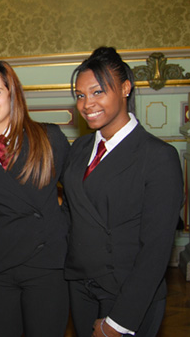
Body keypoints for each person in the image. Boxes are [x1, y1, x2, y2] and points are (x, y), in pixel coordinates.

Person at [64, 47, 184, 337]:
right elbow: (70, 216)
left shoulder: (158, 157)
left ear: (125, 88)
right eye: (80, 95)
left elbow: (155, 252)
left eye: (97, 92)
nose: (87, 104)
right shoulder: (79, 149)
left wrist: (118, 323)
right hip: (81, 291)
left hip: (127, 297)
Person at [0, 60, 70, 336]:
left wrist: (59, 232)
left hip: (45, 266)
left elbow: (78, 197)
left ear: (13, 94)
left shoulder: (49, 138)